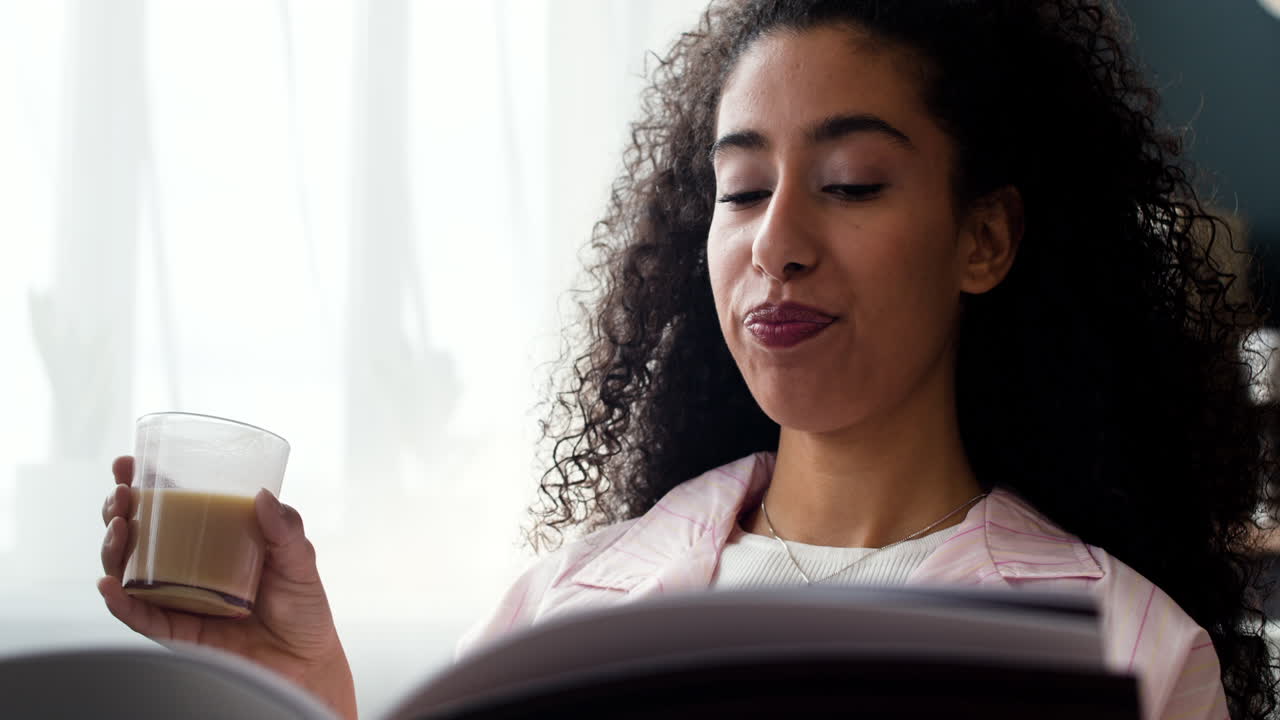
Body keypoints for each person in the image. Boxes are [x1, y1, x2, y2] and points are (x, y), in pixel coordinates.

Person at [97, 1, 1279, 718]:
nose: (775, 243)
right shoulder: (563, 603)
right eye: (742, 189)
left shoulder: (1135, 653)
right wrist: (311, 686)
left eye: (850, 184)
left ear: (983, 237)